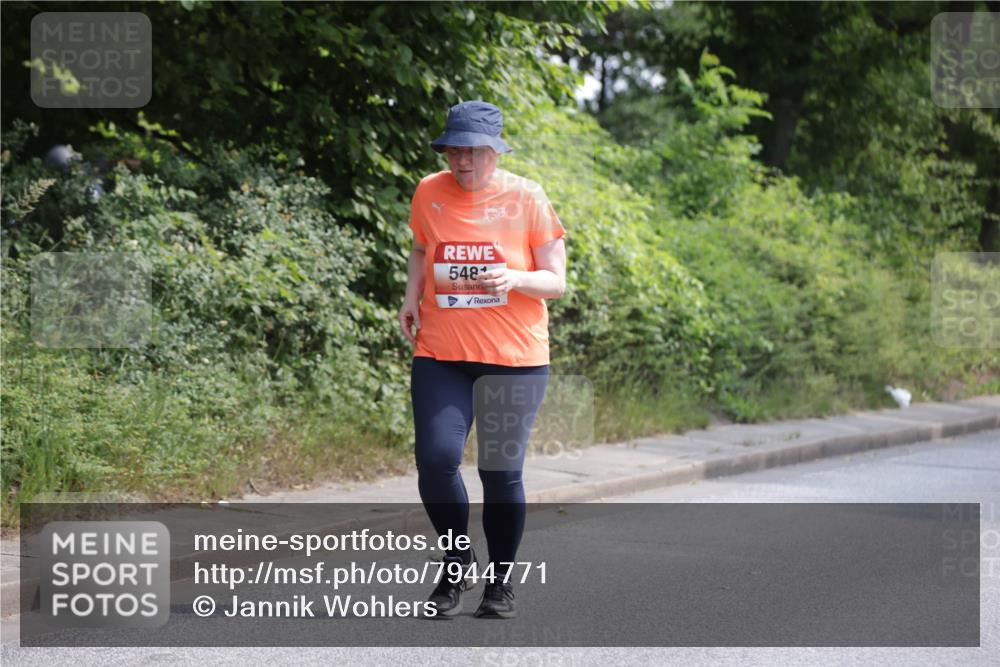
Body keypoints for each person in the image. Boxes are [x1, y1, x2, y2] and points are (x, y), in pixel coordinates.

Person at [398, 100, 567, 619]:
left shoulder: (527, 197)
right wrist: (411, 295)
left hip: (513, 358)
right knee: (435, 460)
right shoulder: (429, 191)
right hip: (441, 352)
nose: (461, 160)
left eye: (472, 150)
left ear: (495, 150)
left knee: (500, 473)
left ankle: (500, 584)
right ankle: (456, 562)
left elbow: (555, 281)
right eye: (453, 149)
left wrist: (514, 279)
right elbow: (423, 249)